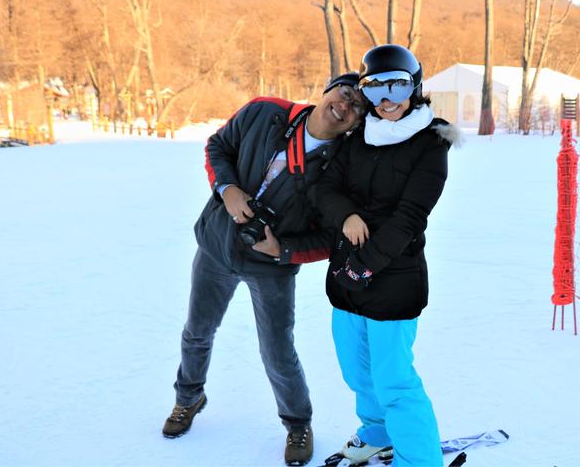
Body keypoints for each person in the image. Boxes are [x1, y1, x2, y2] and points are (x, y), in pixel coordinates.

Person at [162, 73, 366, 467]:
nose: (345, 106)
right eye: (344, 94)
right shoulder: (266, 111)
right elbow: (218, 146)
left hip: (271, 265)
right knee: (198, 331)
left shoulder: (343, 167)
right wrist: (228, 188)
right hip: (217, 246)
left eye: (357, 107)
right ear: (327, 89)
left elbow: (330, 237)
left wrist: (283, 249)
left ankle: (298, 423)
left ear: (358, 122)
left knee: (277, 349)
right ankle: (187, 399)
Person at [313, 45, 460, 467]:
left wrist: (368, 263)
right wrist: (347, 216)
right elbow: (325, 189)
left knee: (394, 378)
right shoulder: (357, 136)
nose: (387, 99)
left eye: (396, 85)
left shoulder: (431, 141)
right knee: (357, 371)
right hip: (346, 276)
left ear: (414, 86)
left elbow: (411, 215)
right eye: (376, 88)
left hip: (395, 277)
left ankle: (419, 460)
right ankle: (377, 434)